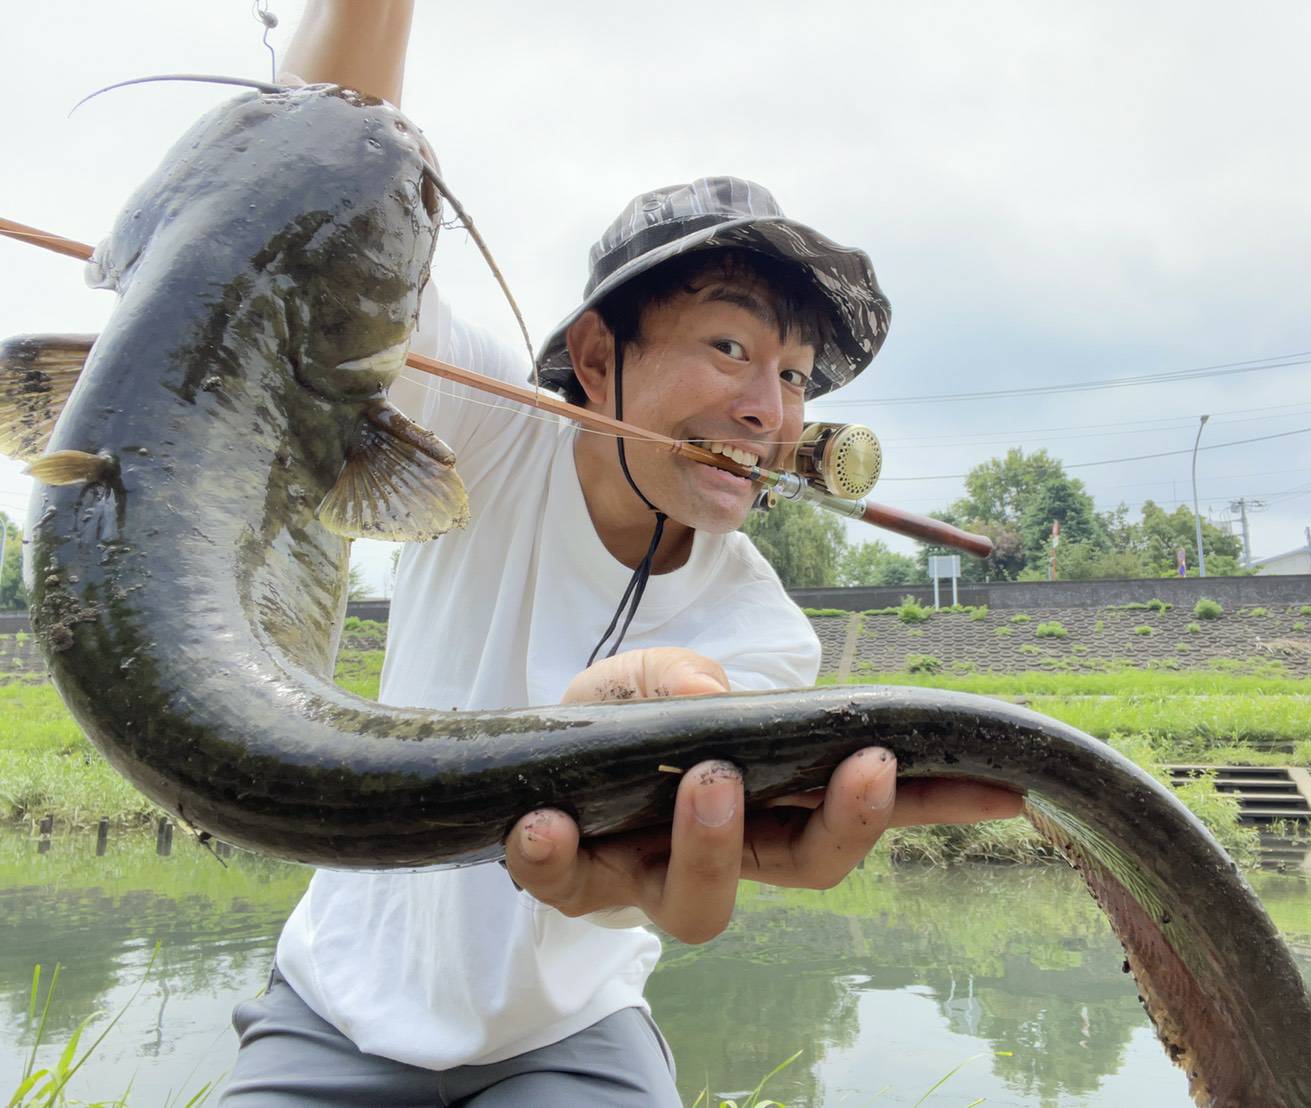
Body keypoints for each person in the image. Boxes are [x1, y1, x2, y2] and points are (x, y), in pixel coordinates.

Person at [219, 3, 1022, 1104]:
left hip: (568, 1038)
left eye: (793, 375)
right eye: (728, 346)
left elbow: (672, 859)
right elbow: (311, 202)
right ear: (596, 358)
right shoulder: (486, 433)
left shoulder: (760, 631)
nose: (766, 409)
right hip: (333, 1008)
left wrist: (663, 765)